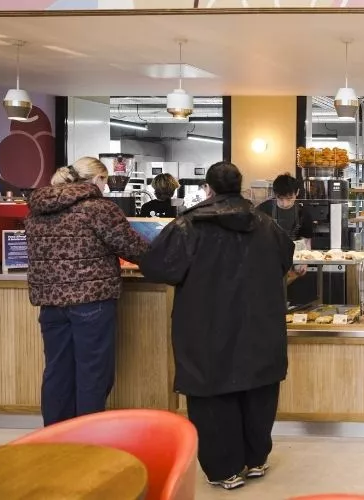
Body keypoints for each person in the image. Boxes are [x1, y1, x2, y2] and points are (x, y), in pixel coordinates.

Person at [139, 161, 294, 490]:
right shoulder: (266, 224)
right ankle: (255, 459)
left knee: (212, 394)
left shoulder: (189, 226)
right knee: (258, 388)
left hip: (205, 322)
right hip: (260, 320)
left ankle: (225, 469)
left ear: (208, 189)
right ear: (240, 186)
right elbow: (286, 259)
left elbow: (158, 267)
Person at [24, 156, 149, 426]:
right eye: (105, 181)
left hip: (51, 303)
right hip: (91, 301)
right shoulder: (99, 208)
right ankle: (87, 439)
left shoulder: (39, 207)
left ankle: (57, 438)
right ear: (96, 179)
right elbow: (132, 247)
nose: (105, 188)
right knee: (93, 373)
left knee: (57, 371)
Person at [257, 173, 315, 246]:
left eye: (289, 198)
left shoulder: (304, 213)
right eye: (280, 198)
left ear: (297, 192)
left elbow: (306, 243)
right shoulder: (262, 210)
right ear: (275, 194)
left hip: (294, 254)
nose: (285, 204)